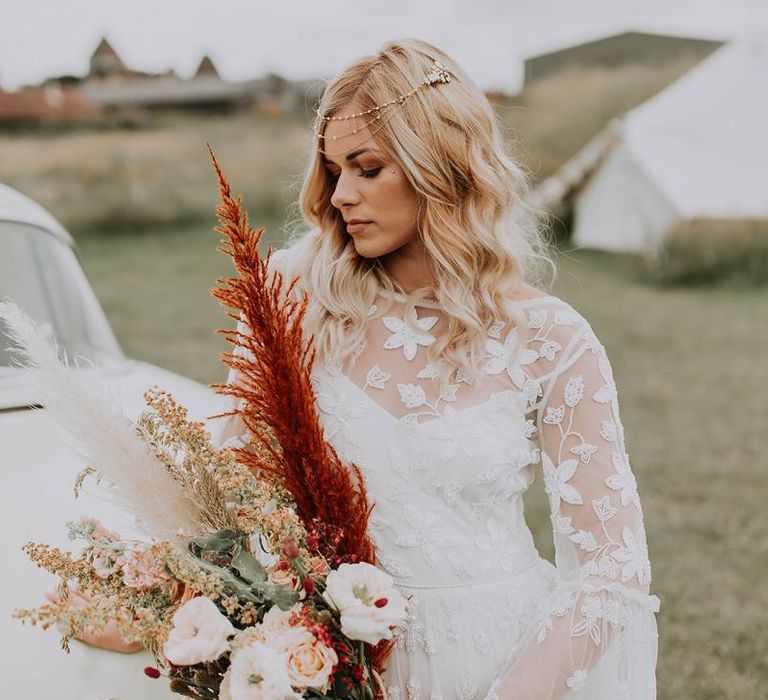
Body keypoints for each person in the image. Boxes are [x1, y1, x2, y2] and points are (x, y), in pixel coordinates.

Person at [217, 38, 660, 700]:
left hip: (505, 662)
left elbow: (612, 571)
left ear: (441, 167)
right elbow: (226, 488)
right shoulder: (289, 295)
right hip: (329, 663)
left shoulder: (553, 338)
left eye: (368, 169)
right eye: (334, 169)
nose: (340, 195)